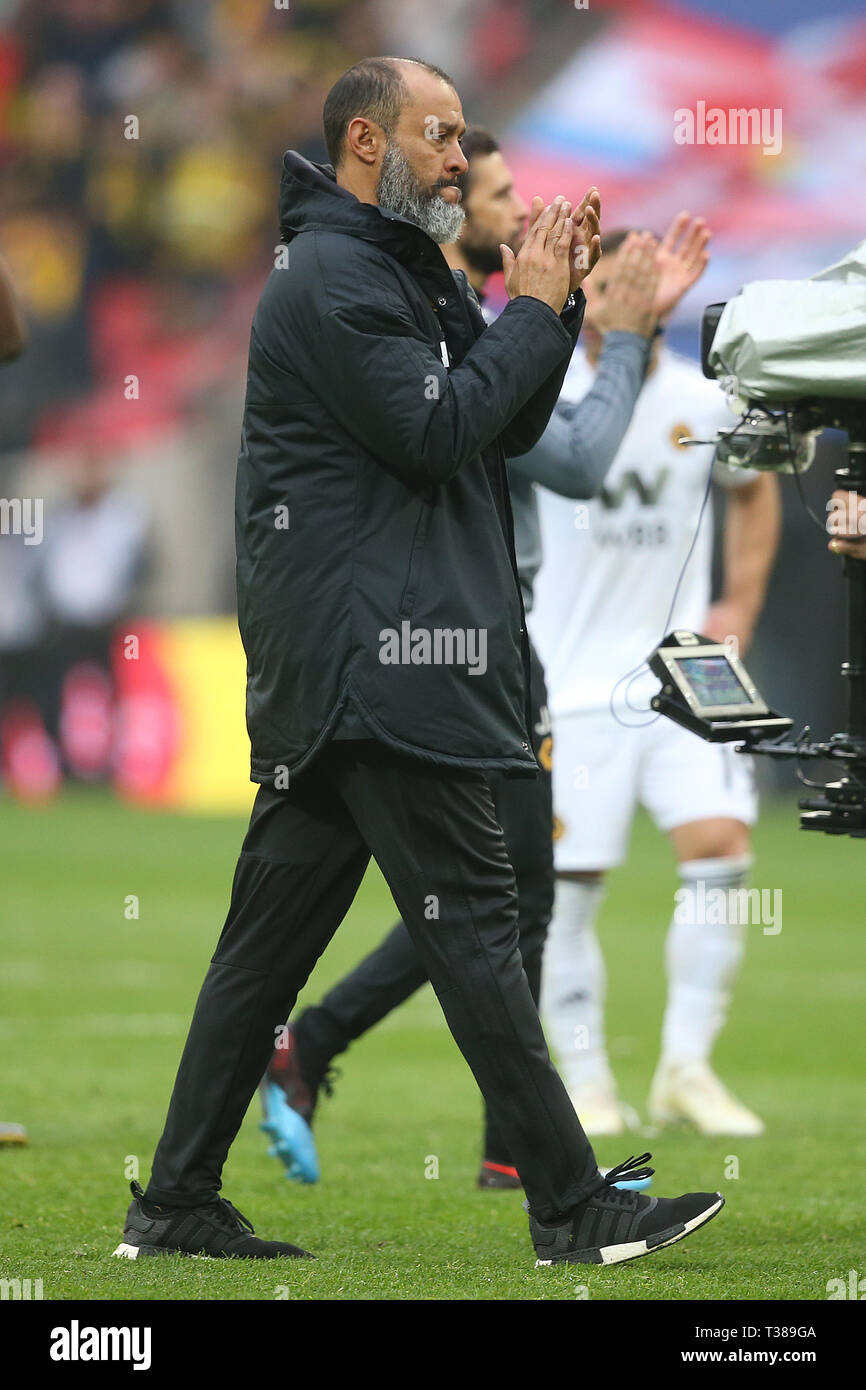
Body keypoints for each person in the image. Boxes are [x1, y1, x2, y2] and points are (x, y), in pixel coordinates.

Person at [115, 57, 723, 1267]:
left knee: (264, 951)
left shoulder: (373, 264)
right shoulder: (339, 277)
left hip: (351, 664)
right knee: (479, 932)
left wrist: (548, 303)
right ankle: (568, 1207)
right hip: (383, 662)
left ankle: (174, 1201)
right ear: (361, 144)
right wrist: (544, 313)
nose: (461, 158)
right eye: (440, 138)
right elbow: (441, 430)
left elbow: (500, 425)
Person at [258, 130, 709, 1192]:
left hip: (481, 639)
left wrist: (602, 325)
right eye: (496, 188)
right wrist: (624, 335)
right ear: (452, 212)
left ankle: (493, 1139)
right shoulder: (452, 321)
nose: (513, 204)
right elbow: (579, 459)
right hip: (455, 649)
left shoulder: (469, 312)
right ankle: (354, 1069)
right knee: (487, 900)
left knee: (489, 899)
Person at [530, 230, 781, 1138]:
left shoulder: (704, 399)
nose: (612, 299)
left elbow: (754, 491)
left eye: (629, 284)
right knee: (570, 884)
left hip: (681, 674)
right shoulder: (543, 394)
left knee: (721, 848)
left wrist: (738, 606)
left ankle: (686, 1067)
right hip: (570, 682)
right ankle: (590, 1084)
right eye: (599, 284)